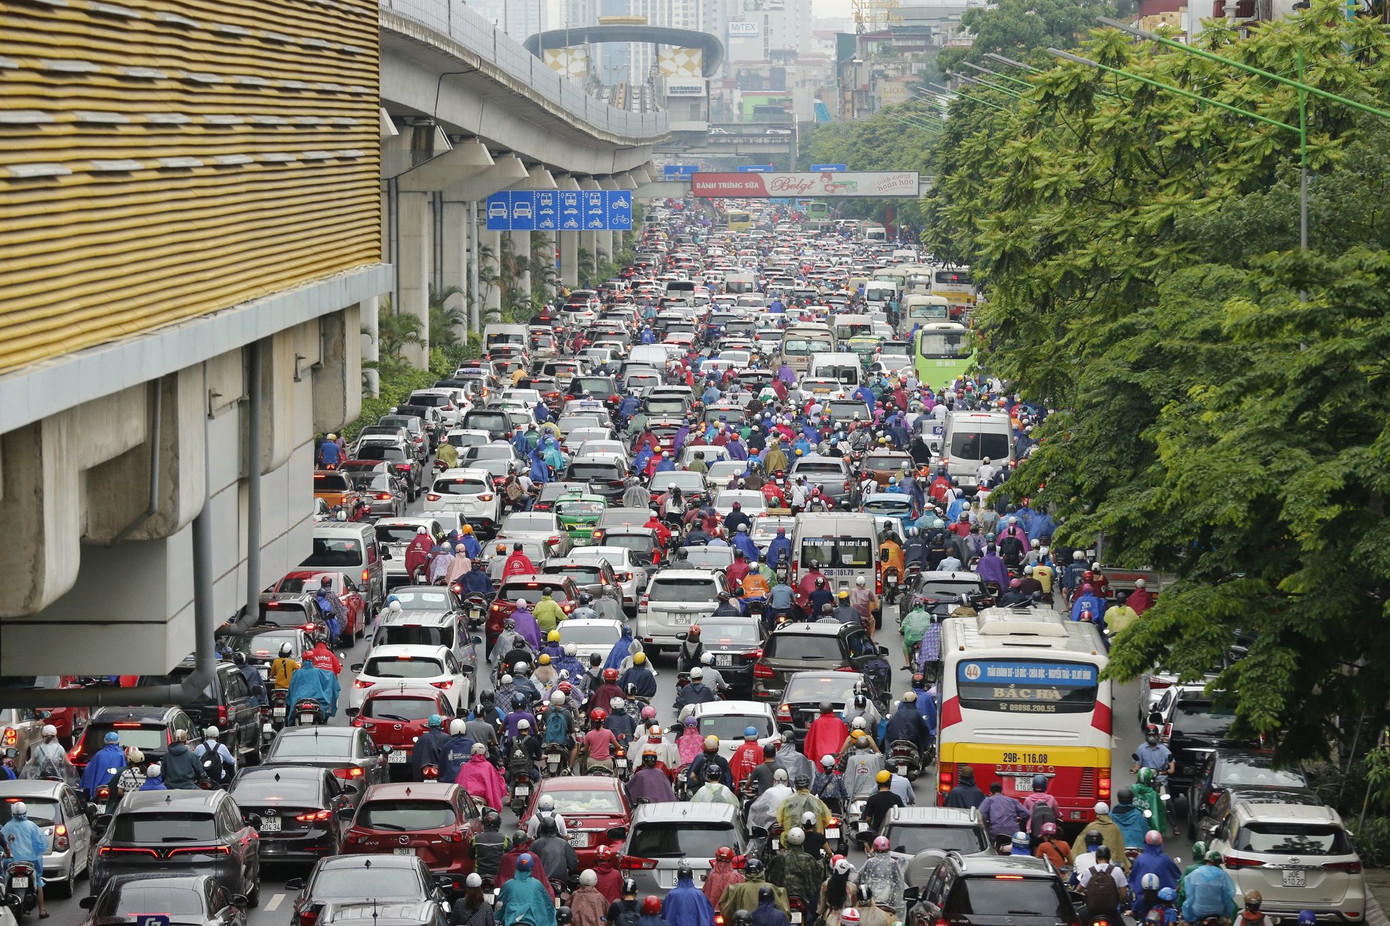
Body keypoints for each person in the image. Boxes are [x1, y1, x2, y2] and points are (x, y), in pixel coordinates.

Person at [1, 801, 49, 917]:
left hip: (11, 862)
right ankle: (42, 910)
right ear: (25, 812)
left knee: (4, 882)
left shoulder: (7, 826)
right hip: (30, 861)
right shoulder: (32, 826)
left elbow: (2, 846)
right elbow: (42, 844)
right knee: (38, 881)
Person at [768, 828, 827, 909]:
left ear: (788, 842)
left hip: (782, 898)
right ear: (802, 842)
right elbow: (816, 880)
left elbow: (770, 877)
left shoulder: (779, 858)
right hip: (805, 899)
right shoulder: (809, 859)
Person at [1129, 832, 1181, 920]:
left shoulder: (1140, 860)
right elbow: (1177, 876)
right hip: (1164, 901)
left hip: (1142, 903)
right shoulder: (1165, 859)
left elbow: (1132, 880)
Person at [720, 859, 790, 922]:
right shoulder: (771, 888)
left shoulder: (736, 889)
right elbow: (784, 912)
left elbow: (727, 913)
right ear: (761, 871)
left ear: (746, 871)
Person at [498, 853, 557, 926]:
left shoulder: (508, 885)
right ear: (532, 867)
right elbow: (548, 907)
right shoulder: (537, 884)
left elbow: (499, 908)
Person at [1073, 801, 1132, 874]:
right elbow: (1120, 848)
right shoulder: (1115, 827)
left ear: (1095, 813)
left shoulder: (1090, 827)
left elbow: (1079, 845)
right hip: (1111, 867)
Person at [855, 837, 905, 917]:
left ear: (874, 849)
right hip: (889, 904)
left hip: (871, 903)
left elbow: (858, 879)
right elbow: (900, 883)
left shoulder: (870, 862)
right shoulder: (893, 864)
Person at [1181, 851, 1235, 926]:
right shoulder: (1223, 876)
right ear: (1218, 863)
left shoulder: (1194, 874)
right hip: (1218, 912)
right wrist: (1227, 914)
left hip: (1198, 911)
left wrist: (1187, 916)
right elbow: (1228, 897)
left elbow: (1189, 897)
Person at [1078, 845, 1128, 924]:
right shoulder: (1118, 871)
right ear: (1109, 857)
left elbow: (1079, 890)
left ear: (1096, 858)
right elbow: (1124, 894)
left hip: (1091, 911)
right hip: (1111, 911)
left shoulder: (1089, 871)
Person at [663, 861, 718, 926]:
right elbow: (708, 914)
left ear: (678, 876)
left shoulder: (671, 895)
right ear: (691, 877)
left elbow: (664, 915)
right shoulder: (699, 895)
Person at [456, 742, 506, 810]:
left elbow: (459, 783)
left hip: (467, 799)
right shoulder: (488, 766)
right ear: (484, 753)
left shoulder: (466, 766)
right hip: (481, 799)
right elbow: (495, 784)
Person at [860, 771, 903, 847]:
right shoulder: (896, 798)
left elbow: (868, 818)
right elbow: (902, 814)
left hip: (877, 830)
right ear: (889, 782)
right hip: (892, 831)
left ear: (878, 784)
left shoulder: (872, 799)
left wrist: (871, 826)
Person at [533, 816, 580, 886]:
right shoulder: (564, 843)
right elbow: (573, 863)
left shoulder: (535, 844)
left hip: (542, 882)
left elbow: (530, 864)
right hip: (560, 881)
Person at [80, 731, 127, 796]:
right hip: (116, 788)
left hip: (100, 787)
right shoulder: (122, 755)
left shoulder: (99, 755)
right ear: (118, 742)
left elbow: (89, 769)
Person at [412, 714, 450, 779]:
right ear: (440, 724)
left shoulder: (422, 738)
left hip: (423, 771)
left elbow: (416, 757)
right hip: (441, 774)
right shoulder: (446, 738)